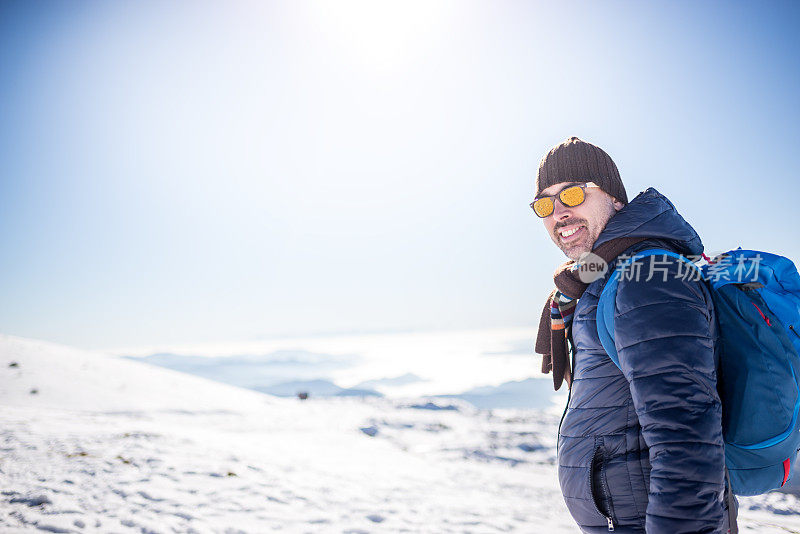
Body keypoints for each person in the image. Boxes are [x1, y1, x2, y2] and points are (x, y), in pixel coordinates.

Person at [533, 137, 737, 534]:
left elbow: (687, 439)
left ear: (615, 198)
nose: (558, 212)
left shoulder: (645, 278)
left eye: (572, 193)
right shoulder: (599, 277)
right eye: (544, 203)